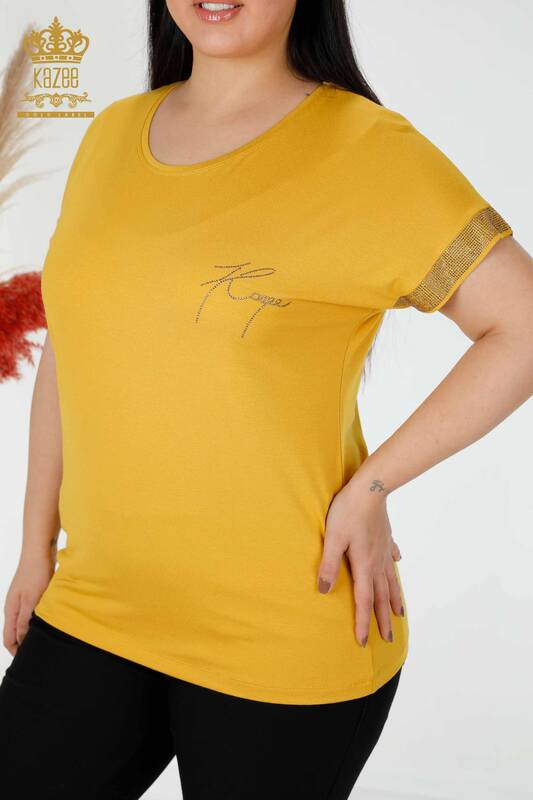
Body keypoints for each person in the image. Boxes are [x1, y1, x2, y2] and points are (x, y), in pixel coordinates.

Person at [1, 1, 532, 798]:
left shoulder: (367, 149)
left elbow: (520, 325)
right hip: (97, 607)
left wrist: (371, 486)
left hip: (283, 633)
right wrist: (33, 545)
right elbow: (70, 347)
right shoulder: (111, 133)